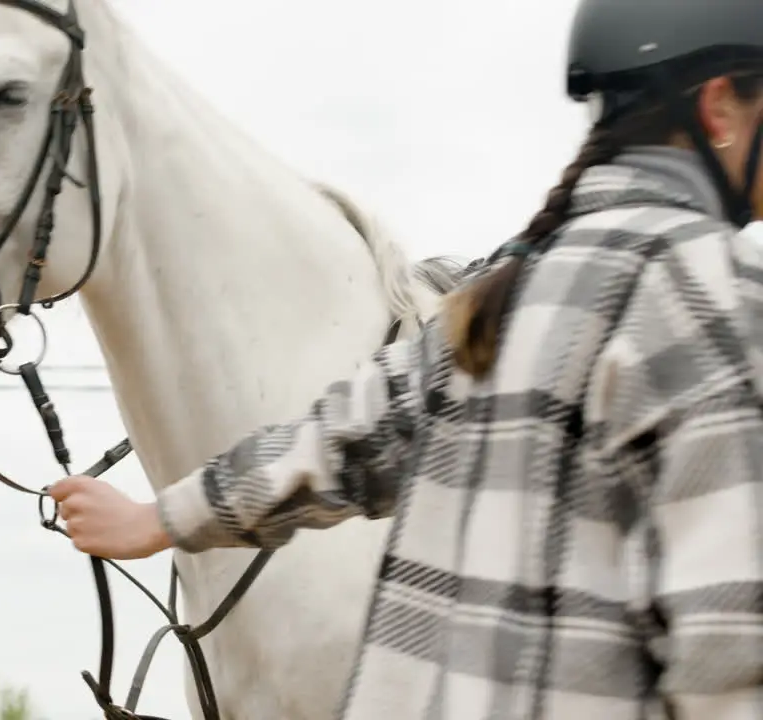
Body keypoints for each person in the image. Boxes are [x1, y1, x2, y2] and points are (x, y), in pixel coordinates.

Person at [47, 0, 763, 717]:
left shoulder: (502, 297)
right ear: (718, 107)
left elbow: (341, 438)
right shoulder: (715, 298)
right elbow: (730, 645)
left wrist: (159, 519)